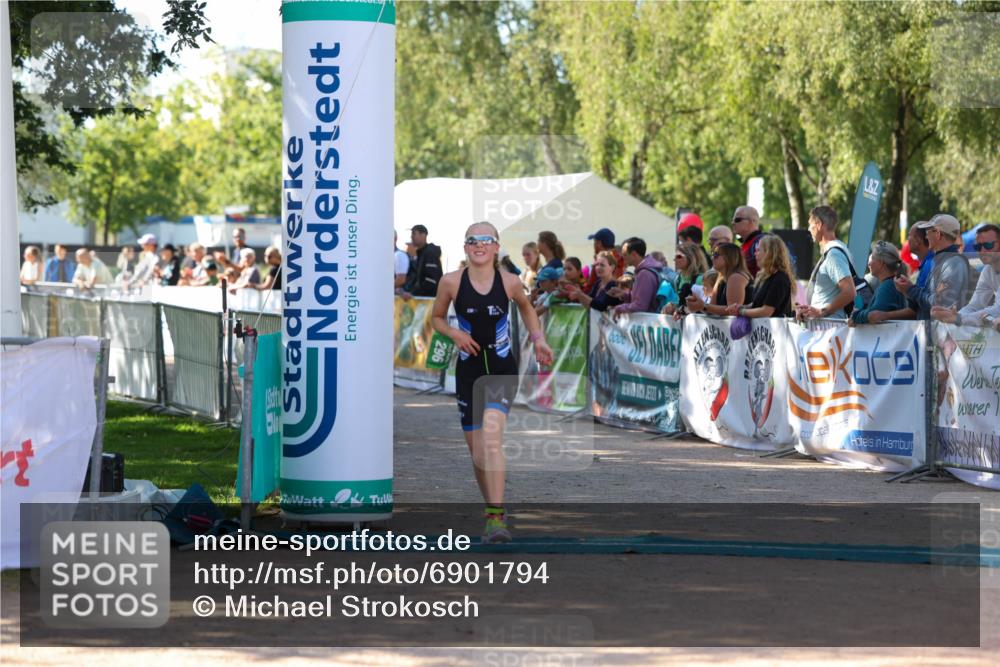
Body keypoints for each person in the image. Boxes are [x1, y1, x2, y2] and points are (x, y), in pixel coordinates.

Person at [430, 222, 552, 544]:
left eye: (486, 240)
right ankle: (492, 508)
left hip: (501, 370)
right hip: (468, 374)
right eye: (472, 240)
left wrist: (538, 339)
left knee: (492, 440)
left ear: (497, 247)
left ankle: (496, 520)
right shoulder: (450, 282)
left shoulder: (511, 282)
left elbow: (527, 310)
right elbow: (437, 318)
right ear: (465, 247)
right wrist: (455, 332)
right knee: (478, 452)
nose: (479, 245)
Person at [895, 214, 972, 320]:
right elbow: (926, 302)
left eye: (928, 232)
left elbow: (939, 305)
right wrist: (907, 290)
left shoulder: (953, 263)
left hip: (944, 334)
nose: (926, 237)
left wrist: (910, 289)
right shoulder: (941, 261)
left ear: (938, 234)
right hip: (934, 332)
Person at [931, 224, 1000, 326]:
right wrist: (954, 316)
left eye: (988, 245)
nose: (982, 250)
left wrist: (958, 318)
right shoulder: (987, 270)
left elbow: (997, 310)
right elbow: (975, 305)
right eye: (978, 246)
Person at [798, 205, 858, 320]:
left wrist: (822, 311)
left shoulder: (833, 254)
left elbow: (850, 292)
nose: (809, 229)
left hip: (829, 330)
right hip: (826, 329)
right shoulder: (835, 250)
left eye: (811, 225)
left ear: (819, 224)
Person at [728, 235, 794, 318]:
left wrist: (741, 311)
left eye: (758, 250)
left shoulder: (780, 279)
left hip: (774, 330)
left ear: (769, 253)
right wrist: (741, 307)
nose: (755, 253)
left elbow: (766, 311)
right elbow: (757, 304)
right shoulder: (765, 276)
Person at [849, 241, 914, 325]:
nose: (869, 263)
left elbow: (874, 314)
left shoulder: (887, 287)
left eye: (872, 258)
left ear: (881, 263)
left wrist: (856, 316)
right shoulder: (891, 284)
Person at [685, 243, 752, 316]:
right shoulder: (721, 278)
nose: (712, 258)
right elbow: (711, 309)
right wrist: (697, 304)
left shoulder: (736, 277)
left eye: (716, 255)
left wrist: (703, 306)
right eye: (712, 254)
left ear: (729, 257)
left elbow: (733, 311)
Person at [612, 237, 665, 316]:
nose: (622, 258)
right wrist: (625, 295)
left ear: (634, 254)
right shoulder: (644, 271)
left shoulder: (645, 274)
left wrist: (620, 308)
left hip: (648, 324)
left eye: (625, 255)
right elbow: (644, 298)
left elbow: (640, 306)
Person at [402, 224, 443, 297]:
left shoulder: (430, 253)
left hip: (429, 303)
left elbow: (431, 281)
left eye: (414, 233)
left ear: (423, 235)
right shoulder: (422, 253)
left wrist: (413, 294)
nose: (411, 237)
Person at [585, 227, 624, 292]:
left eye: (594, 242)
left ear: (599, 243)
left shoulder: (600, 261)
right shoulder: (620, 259)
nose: (593, 245)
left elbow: (590, 286)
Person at [731, 206, 765, 278]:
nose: (733, 223)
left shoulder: (761, 242)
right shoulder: (746, 243)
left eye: (737, 219)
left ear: (751, 221)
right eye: (732, 220)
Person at [907, 223, 934, 289]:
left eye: (909, 235)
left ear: (918, 240)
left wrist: (908, 290)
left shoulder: (929, 265)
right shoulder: (930, 262)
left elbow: (922, 298)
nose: (907, 239)